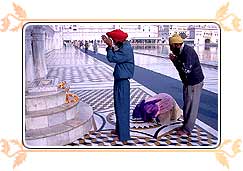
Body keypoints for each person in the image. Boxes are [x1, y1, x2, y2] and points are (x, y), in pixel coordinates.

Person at [101, 29, 134, 142]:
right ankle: (119, 129)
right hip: (119, 80)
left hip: (123, 82)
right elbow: (116, 50)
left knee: (123, 108)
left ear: (118, 40)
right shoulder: (124, 46)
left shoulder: (126, 49)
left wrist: (110, 46)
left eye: (114, 40)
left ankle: (124, 135)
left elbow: (112, 58)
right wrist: (110, 45)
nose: (113, 42)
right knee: (118, 106)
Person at [168, 34, 204, 136]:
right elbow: (181, 69)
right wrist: (176, 61)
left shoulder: (188, 52)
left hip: (194, 82)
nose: (170, 49)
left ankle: (187, 129)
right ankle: (185, 125)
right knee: (187, 104)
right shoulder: (181, 51)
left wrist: (175, 61)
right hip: (188, 82)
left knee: (192, 106)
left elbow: (186, 70)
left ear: (176, 45)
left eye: (171, 46)